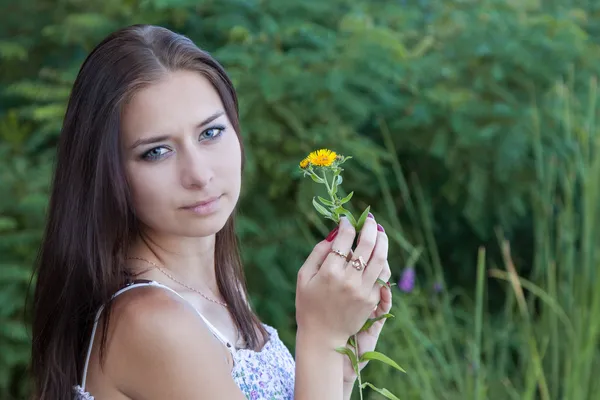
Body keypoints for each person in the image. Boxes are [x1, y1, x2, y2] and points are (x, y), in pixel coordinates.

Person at [30, 24, 392, 400]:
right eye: (156, 151)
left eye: (210, 133)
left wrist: (338, 370)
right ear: (107, 173)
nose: (199, 174)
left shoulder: (213, 291)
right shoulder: (151, 321)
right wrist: (321, 337)